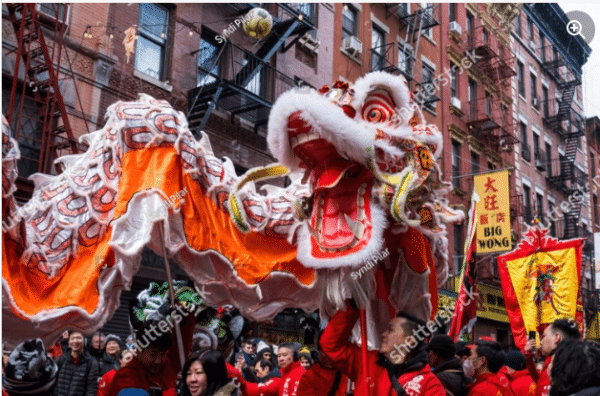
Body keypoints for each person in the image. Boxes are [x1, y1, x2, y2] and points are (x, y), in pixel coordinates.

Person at [319, 301, 445, 396]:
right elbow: (330, 345)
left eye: (390, 330)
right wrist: (353, 305)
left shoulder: (430, 385)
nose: (383, 334)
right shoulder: (366, 362)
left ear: (409, 340)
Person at [108, 314, 195, 396]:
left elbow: (181, 343)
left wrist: (185, 318)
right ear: (139, 350)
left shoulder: (167, 366)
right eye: (153, 355)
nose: (158, 360)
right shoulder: (125, 376)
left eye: (163, 354)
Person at [524, 319, 581, 396]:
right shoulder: (549, 361)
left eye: (544, 336)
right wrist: (528, 356)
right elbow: (540, 381)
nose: (541, 342)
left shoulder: (572, 366)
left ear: (556, 338)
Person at [55, 330, 100, 396]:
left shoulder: (91, 363)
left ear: (84, 341)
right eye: (72, 338)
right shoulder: (60, 359)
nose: (75, 341)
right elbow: (53, 384)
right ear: (69, 342)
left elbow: (91, 389)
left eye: (78, 338)